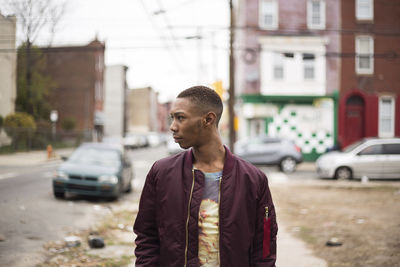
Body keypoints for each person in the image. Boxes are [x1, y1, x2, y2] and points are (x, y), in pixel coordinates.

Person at [134, 86, 278, 267]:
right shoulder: (161, 173)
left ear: (208, 119)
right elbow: (146, 236)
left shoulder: (253, 179)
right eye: (172, 118)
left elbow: (264, 246)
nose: (172, 126)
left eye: (180, 118)